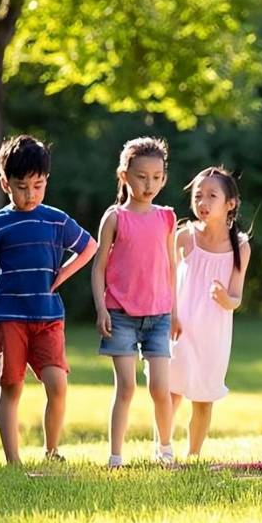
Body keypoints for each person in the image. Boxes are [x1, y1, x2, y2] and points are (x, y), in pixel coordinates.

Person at [0, 134, 97, 465]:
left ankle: (52, 450)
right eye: (21, 186)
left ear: (46, 182)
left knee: (58, 385)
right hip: (9, 317)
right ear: (4, 183)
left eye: (38, 186)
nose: (30, 194)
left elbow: (90, 247)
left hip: (48, 317)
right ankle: (13, 461)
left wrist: (62, 276)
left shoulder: (55, 219)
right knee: (11, 387)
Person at [91, 136, 178, 468]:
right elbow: (98, 268)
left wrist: (175, 311)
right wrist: (101, 308)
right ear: (124, 175)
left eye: (157, 177)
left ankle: (165, 450)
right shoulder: (115, 218)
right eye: (142, 176)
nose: (150, 184)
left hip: (159, 316)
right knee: (125, 387)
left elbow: (171, 267)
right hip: (120, 315)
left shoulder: (166, 218)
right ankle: (116, 456)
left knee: (161, 388)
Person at [169, 166, 251, 457]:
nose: (202, 203)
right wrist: (172, 315)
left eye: (211, 196)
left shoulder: (240, 246)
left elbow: (236, 296)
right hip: (179, 328)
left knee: (203, 397)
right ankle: (163, 449)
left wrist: (224, 298)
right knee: (171, 390)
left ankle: (193, 455)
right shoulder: (184, 237)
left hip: (213, 333)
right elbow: (167, 280)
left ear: (230, 204)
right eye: (198, 196)